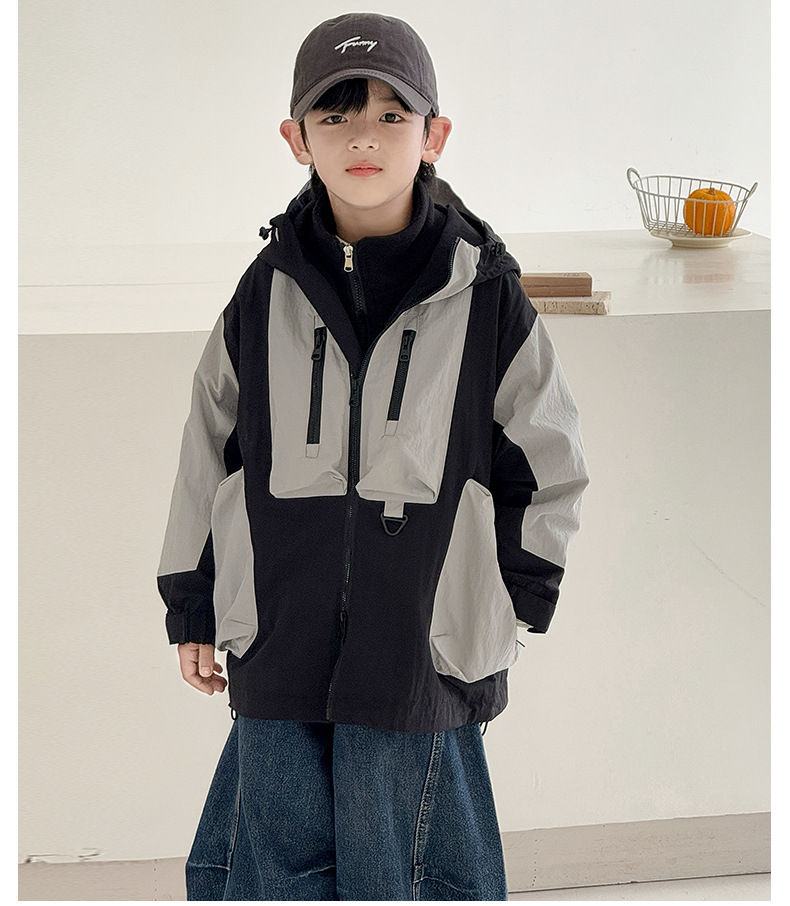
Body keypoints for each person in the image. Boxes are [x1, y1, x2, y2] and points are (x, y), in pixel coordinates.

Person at [157, 11, 590, 901]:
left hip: (422, 642)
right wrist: (193, 602)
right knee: (278, 866)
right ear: (296, 139)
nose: (364, 136)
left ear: (435, 136)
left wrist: (515, 597)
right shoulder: (265, 291)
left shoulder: (485, 293)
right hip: (279, 630)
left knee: (408, 867)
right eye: (336, 114)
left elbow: (547, 457)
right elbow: (210, 449)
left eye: (393, 115)